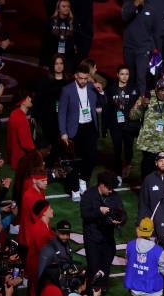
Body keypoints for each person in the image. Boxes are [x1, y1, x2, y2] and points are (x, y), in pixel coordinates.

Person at [57, 62, 104, 199]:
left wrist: (101, 91)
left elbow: (103, 103)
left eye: (85, 78)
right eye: (80, 78)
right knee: (74, 160)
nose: (83, 81)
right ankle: (75, 189)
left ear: (88, 77)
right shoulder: (67, 90)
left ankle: (83, 180)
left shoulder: (92, 87)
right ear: (75, 76)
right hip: (74, 129)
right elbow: (62, 113)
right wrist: (63, 132)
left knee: (91, 158)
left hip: (90, 127)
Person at [80, 171, 126, 296]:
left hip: (107, 237)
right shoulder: (89, 196)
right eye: (109, 188)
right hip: (92, 238)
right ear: (101, 185)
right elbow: (85, 214)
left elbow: (122, 212)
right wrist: (99, 211)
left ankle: (101, 294)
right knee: (94, 266)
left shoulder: (114, 196)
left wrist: (120, 220)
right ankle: (91, 295)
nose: (111, 191)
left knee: (105, 265)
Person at [130, 78, 164, 181]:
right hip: (149, 143)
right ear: (156, 89)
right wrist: (141, 106)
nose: (162, 93)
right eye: (160, 90)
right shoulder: (146, 98)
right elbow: (132, 116)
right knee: (147, 172)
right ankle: (146, 193)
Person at [104, 64, 141, 183]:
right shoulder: (111, 89)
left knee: (129, 148)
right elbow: (107, 109)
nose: (125, 77)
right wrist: (105, 127)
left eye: (127, 74)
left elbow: (138, 108)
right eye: (122, 74)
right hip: (115, 125)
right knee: (117, 150)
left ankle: (128, 165)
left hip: (129, 125)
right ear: (117, 75)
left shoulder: (134, 89)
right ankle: (118, 173)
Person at [33, 55, 69, 162]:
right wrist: (36, 116)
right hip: (48, 117)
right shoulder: (44, 81)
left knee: (63, 140)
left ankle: (62, 162)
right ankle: (50, 163)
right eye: (56, 63)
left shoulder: (69, 81)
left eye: (61, 63)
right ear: (52, 65)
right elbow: (38, 99)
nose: (59, 66)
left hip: (64, 117)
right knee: (50, 141)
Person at [26, 200, 55, 296]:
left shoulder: (45, 224)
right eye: (49, 209)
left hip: (39, 262)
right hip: (37, 264)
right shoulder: (39, 229)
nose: (52, 210)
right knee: (37, 288)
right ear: (43, 212)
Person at [122, 0, 155, 96]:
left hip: (144, 49)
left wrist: (152, 47)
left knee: (141, 77)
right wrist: (135, 4)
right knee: (129, 77)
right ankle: (130, 101)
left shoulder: (151, 6)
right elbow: (124, 17)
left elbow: (156, 28)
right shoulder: (128, 3)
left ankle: (141, 102)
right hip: (129, 47)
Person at [39, 0, 75, 69]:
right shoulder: (50, 22)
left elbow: (75, 42)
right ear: (58, 9)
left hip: (68, 59)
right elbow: (44, 43)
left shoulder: (73, 23)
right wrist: (42, 62)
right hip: (52, 58)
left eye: (68, 6)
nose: (66, 8)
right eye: (64, 6)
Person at [6, 91, 35, 171]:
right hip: (22, 160)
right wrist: (36, 155)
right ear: (23, 102)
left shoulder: (14, 114)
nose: (30, 99)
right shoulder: (21, 118)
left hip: (14, 158)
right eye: (28, 98)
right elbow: (26, 144)